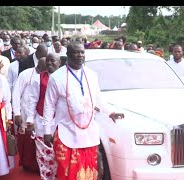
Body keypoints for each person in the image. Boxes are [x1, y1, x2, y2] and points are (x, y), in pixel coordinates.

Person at [42, 42, 124, 179]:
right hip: (66, 131)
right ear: (67, 55)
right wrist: (47, 131)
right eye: (76, 52)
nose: (80, 55)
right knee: (66, 171)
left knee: (88, 171)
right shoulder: (56, 77)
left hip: (88, 132)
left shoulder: (91, 75)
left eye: (82, 52)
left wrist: (110, 112)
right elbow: (49, 105)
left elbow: (98, 97)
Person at [26, 53, 62, 179]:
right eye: (48, 61)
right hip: (42, 122)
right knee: (44, 157)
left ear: (59, 63)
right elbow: (32, 100)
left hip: (61, 123)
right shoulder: (38, 79)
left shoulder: (65, 78)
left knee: (61, 157)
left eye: (53, 61)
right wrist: (29, 120)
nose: (50, 63)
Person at [12, 57, 46, 173]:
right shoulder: (25, 74)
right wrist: (16, 113)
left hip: (41, 116)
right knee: (27, 142)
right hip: (26, 113)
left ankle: (41, 165)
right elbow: (16, 93)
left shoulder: (49, 76)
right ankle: (28, 165)